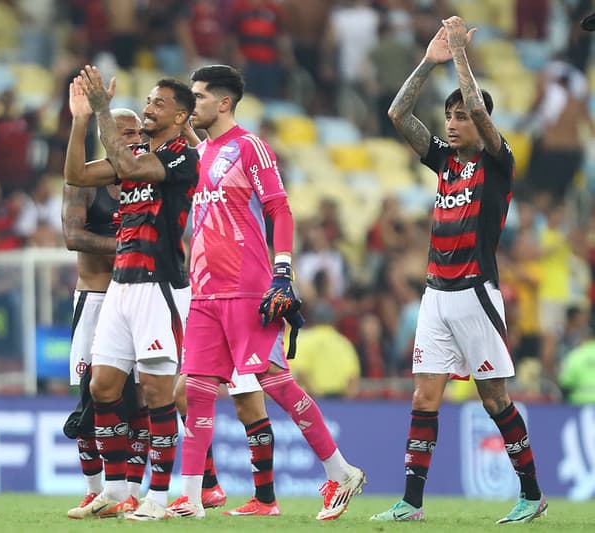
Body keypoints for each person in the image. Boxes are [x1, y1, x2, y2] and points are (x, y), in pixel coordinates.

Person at [166, 64, 365, 521]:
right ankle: (192, 497)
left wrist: (283, 273)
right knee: (195, 389)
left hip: (247, 287)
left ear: (223, 103)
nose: (189, 104)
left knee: (275, 382)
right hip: (205, 291)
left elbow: (281, 209)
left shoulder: (249, 147)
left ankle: (341, 470)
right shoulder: (204, 153)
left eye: (196, 97)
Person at [370, 17, 547, 523]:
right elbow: (398, 112)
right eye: (448, 115)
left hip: (475, 293)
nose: (452, 122)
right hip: (435, 295)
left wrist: (460, 54)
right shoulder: (446, 161)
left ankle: (531, 494)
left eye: (461, 116)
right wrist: (430, 61)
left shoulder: (498, 160)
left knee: (495, 399)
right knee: (425, 395)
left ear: (483, 124)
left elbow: (476, 104)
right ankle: (411, 502)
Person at [64, 66, 198, 520]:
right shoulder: (135, 149)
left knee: (157, 393)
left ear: (181, 116)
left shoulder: (183, 157)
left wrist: (104, 107)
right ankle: (117, 490)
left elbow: (130, 167)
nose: (148, 107)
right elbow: (78, 176)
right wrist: (82, 120)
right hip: (120, 287)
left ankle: (158, 499)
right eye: (148, 100)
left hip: (159, 285)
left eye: (159, 103)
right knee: (102, 386)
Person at [63, 108, 152, 519]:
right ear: (105, 135)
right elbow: (73, 235)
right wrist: (127, 245)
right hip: (96, 298)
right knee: (91, 396)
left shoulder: (148, 177)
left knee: (140, 400)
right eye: (125, 131)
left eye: (139, 131)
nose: (135, 137)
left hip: (137, 297)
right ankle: (94, 489)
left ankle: (131, 491)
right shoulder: (85, 178)